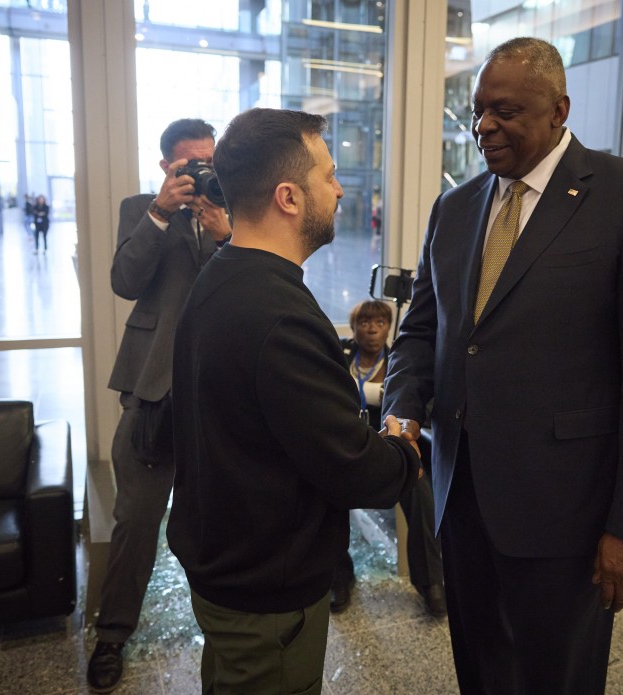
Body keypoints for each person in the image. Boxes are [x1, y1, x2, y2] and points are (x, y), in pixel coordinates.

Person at [383, 38, 623, 694]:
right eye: (477, 111)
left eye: (505, 112)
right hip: (461, 500)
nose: (484, 127)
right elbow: (423, 331)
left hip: (566, 511)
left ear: (559, 110)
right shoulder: (455, 206)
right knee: (481, 668)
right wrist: (402, 406)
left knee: (557, 677)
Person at [166, 107, 421, 695]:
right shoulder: (280, 316)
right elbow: (355, 470)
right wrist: (402, 449)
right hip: (265, 593)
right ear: (288, 197)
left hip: (225, 566)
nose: (339, 189)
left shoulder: (223, 274)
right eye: (329, 175)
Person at [86, 118, 232, 694]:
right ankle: (112, 635)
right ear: (165, 165)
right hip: (153, 389)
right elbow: (125, 281)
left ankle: (229, 627)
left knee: (222, 519)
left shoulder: (234, 208)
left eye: (209, 162)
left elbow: (256, 283)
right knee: (136, 520)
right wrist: (161, 212)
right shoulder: (141, 209)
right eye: (189, 164)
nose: (201, 172)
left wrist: (227, 236)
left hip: (219, 394)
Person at [331, 299, 445, 617]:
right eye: (365, 322)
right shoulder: (339, 355)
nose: (372, 329)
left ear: (388, 327)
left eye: (380, 323)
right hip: (345, 445)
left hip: (385, 445)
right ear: (354, 327)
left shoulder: (399, 360)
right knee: (324, 488)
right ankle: (338, 577)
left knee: (418, 488)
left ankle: (430, 581)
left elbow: (418, 406)